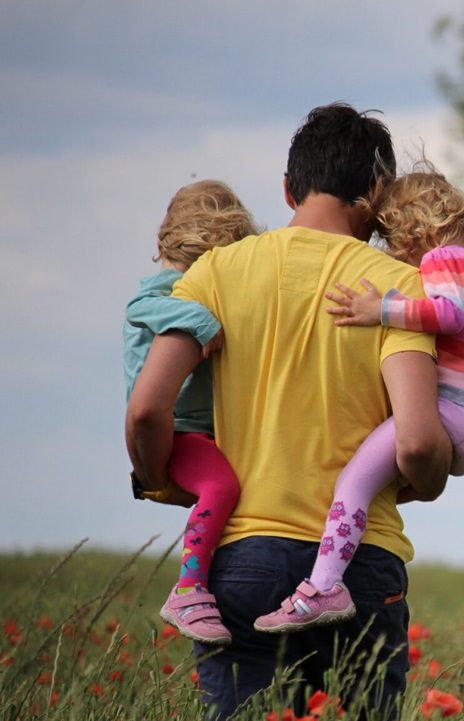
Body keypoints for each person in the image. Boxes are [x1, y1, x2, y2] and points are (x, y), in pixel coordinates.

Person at [126, 103, 452, 721]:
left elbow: (147, 410)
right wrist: (427, 483)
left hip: (242, 559)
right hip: (360, 565)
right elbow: (416, 443)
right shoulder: (396, 288)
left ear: (286, 188)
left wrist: (159, 478)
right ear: (377, 192)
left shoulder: (215, 272)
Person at [254, 163, 464, 633]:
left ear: (415, 227)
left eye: (392, 237)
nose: (392, 251)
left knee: (352, 483)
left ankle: (323, 588)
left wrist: (378, 309)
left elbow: (446, 315)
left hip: (447, 414)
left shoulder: (445, 261)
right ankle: (336, 567)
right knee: (376, 485)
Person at [124, 180, 256, 645]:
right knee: (221, 486)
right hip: (178, 430)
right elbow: (142, 306)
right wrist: (202, 321)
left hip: (201, 431)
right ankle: (189, 588)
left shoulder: (192, 285)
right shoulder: (168, 289)